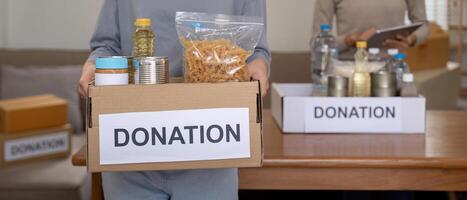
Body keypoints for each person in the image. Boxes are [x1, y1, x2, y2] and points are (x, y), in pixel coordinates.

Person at [78, 1, 270, 200]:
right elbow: (107, 46)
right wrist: (94, 65)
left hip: (210, 153)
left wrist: (258, 65)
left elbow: (255, 51)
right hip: (132, 150)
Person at [312, 0, 430, 53]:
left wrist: (410, 40)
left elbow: (423, 25)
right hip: (348, 71)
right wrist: (348, 40)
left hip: (392, 69)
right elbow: (317, 42)